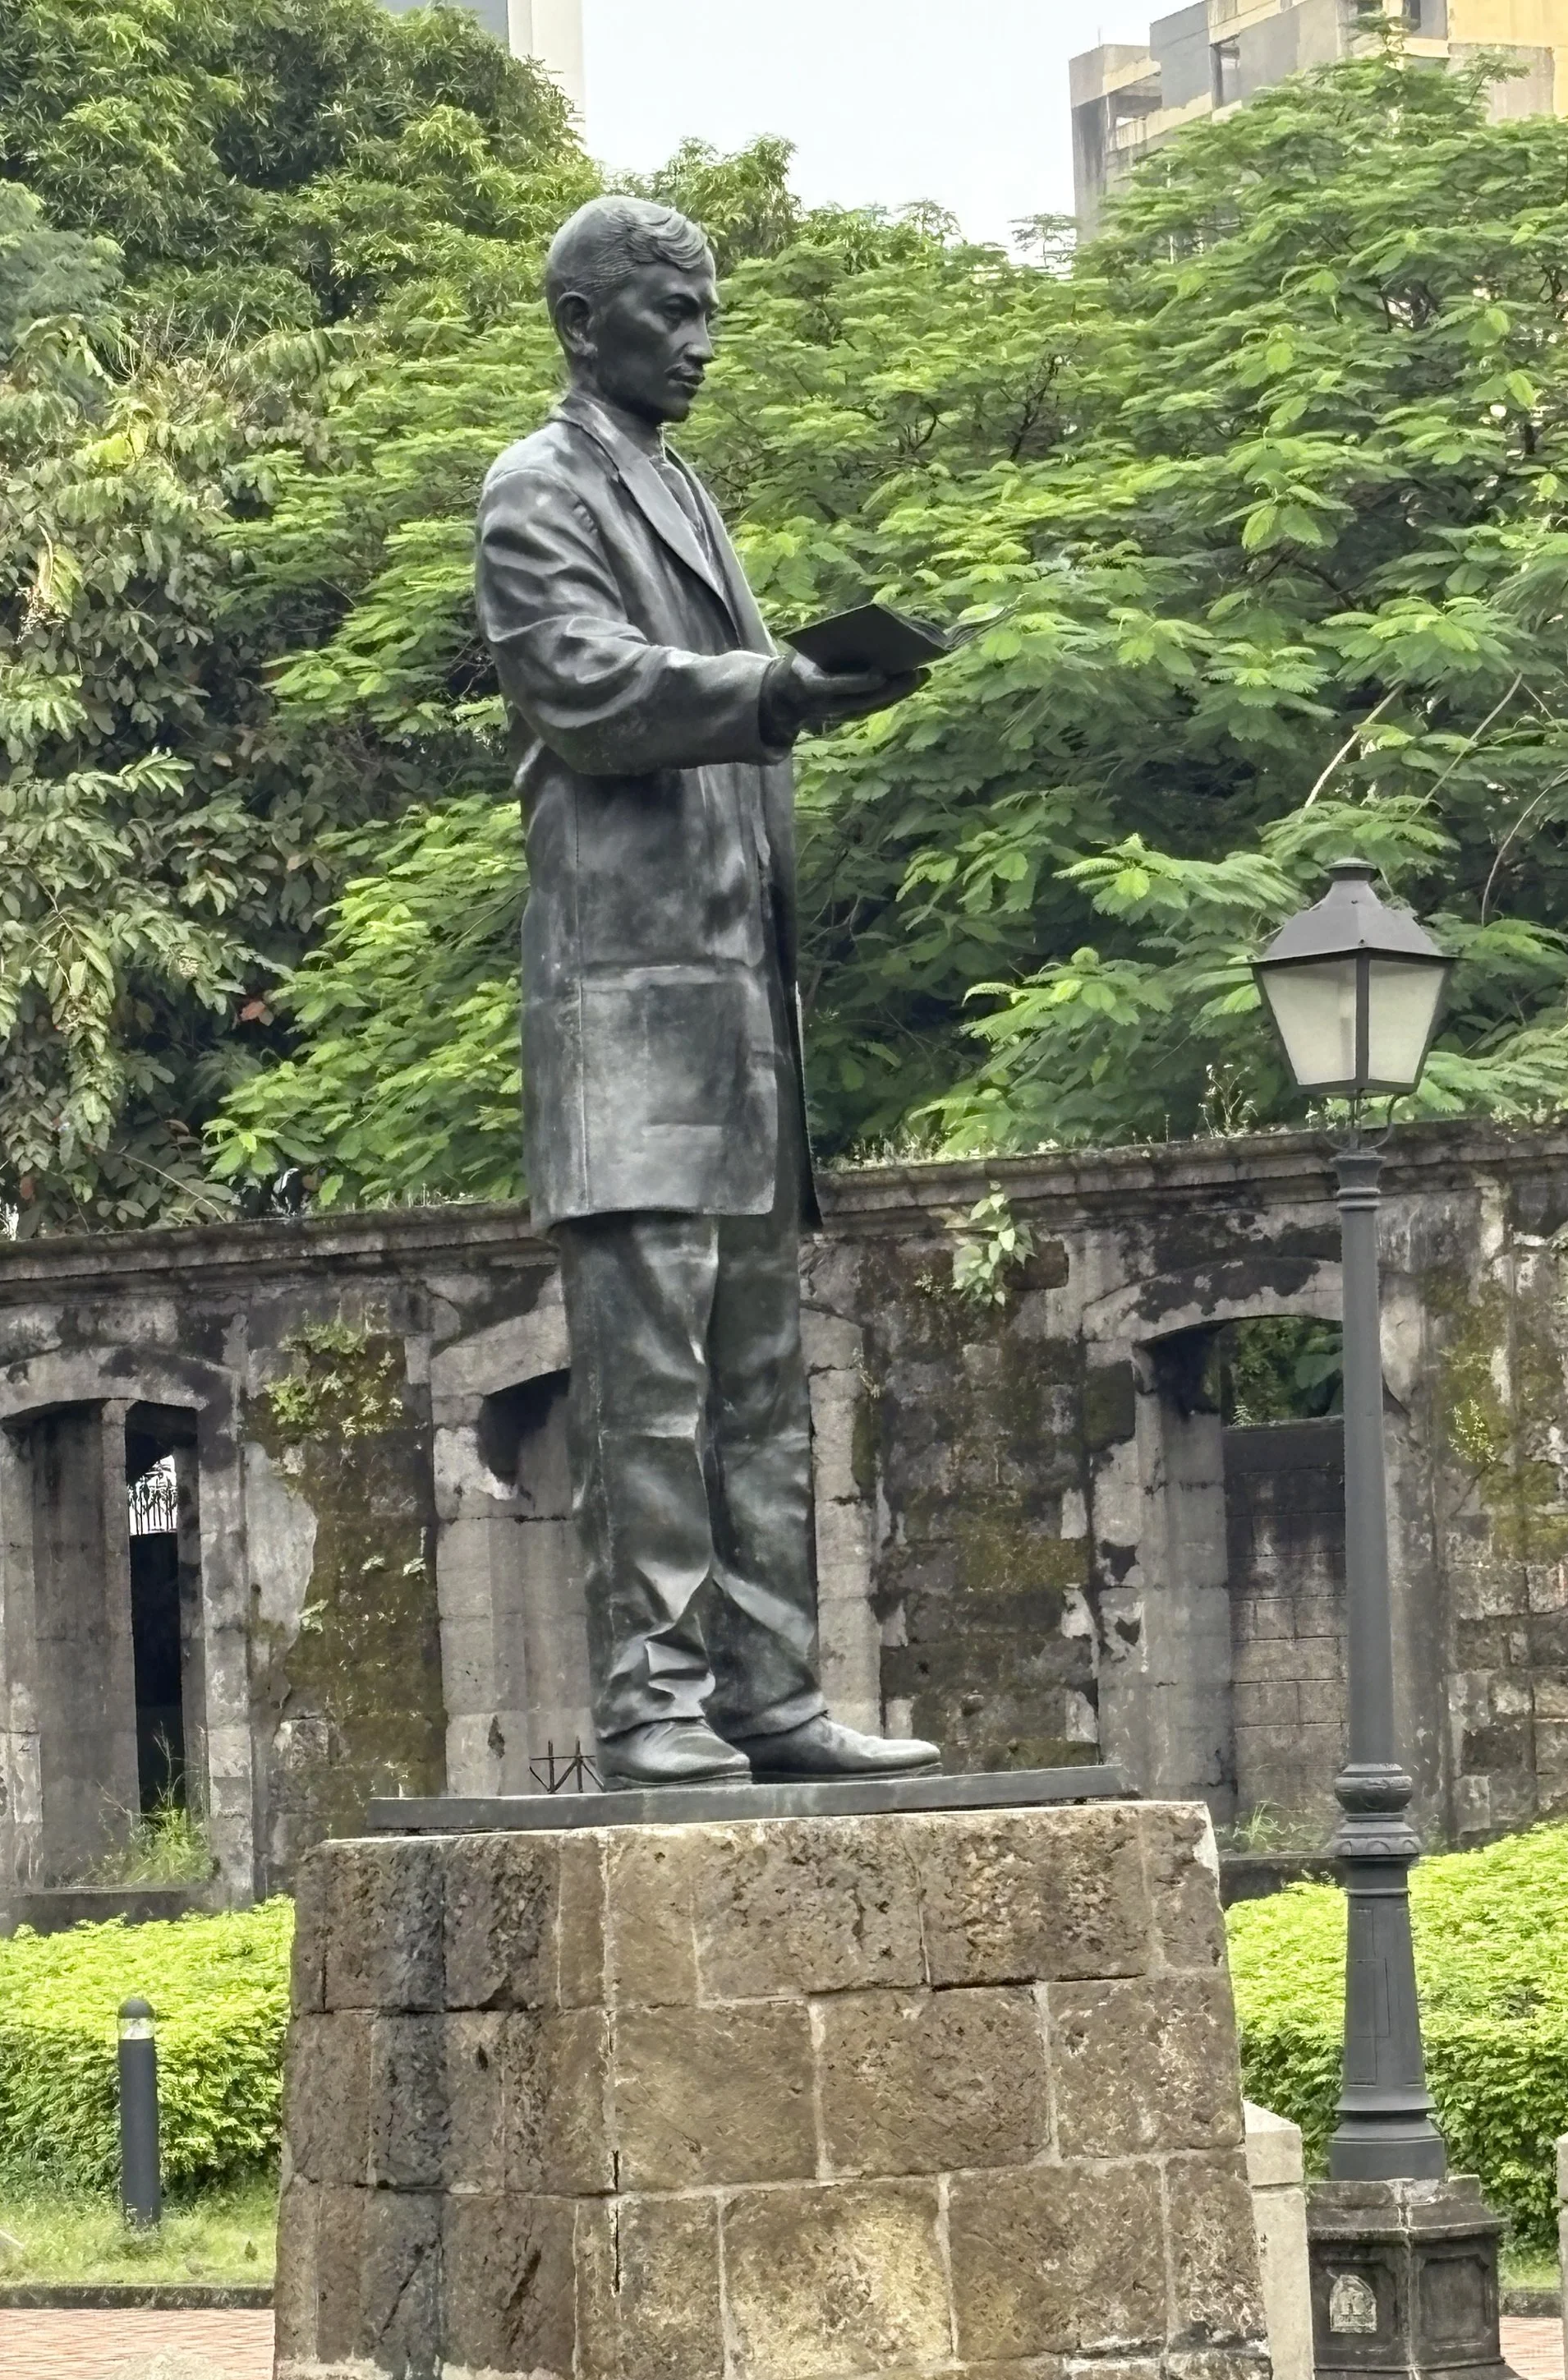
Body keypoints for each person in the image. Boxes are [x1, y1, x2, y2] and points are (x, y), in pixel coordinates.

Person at [475, 194, 941, 1790]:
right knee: (647, 1388)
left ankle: (768, 1694)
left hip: (740, 1020)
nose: (698, 336)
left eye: (704, 308)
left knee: (757, 1388)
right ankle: (651, 1704)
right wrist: (773, 689)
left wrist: (792, 689)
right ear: (580, 321)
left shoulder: (680, 486)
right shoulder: (537, 490)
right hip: (625, 1014)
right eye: (668, 310)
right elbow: (585, 687)